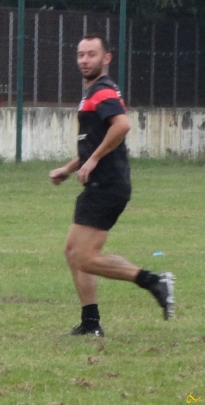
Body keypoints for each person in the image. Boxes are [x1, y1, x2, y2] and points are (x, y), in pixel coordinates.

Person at [49, 34, 175, 337]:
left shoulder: (102, 92)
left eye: (92, 54)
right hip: (100, 183)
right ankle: (91, 322)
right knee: (74, 252)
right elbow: (94, 142)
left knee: (84, 256)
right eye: (80, 54)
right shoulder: (94, 92)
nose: (84, 60)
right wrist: (70, 168)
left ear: (106, 58)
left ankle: (153, 281)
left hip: (107, 184)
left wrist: (92, 161)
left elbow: (122, 126)